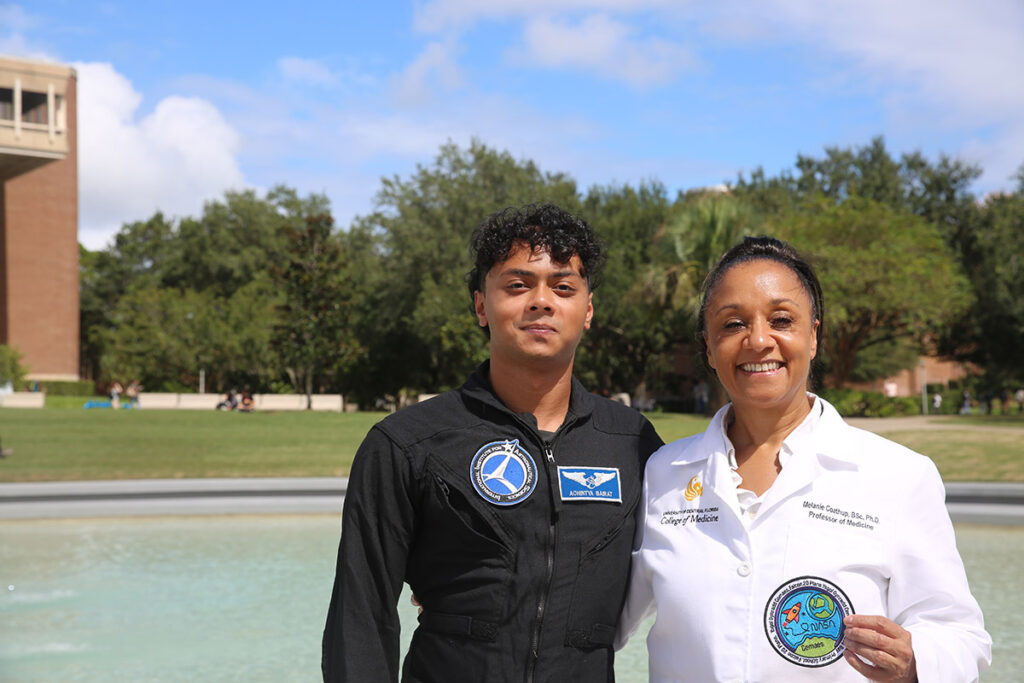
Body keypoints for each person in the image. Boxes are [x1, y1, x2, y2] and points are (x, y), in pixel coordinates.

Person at [617, 236, 990, 682]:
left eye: (781, 319)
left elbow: (961, 634)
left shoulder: (900, 476)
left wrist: (915, 663)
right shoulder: (661, 474)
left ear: (813, 336)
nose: (758, 340)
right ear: (708, 348)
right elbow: (602, 621)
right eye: (733, 324)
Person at [322, 204, 663, 683]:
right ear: (482, 304)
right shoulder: (408, 444)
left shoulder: (635, 445)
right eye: (518, 285)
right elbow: (361, 616)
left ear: (587, 310)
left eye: (563, 287)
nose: (541, 301)